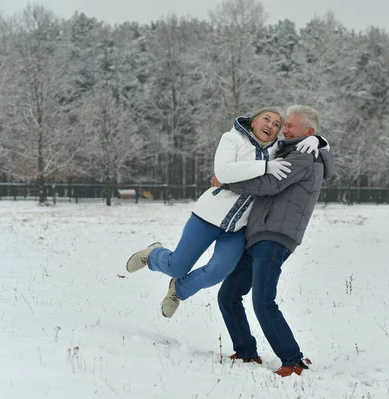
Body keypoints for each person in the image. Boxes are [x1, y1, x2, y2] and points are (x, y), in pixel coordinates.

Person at [125, 107, 323, 318]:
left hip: (238, 228)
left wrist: (319, 140)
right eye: (266, 119)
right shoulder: (233, 139)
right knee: (177, 267)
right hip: (208, 216)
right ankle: (153, 254)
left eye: (277, 124)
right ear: (253, 121)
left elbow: (302, 137)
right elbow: (224, 171)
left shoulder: (277, 149)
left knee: (217, 272)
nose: (271, 125)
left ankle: (178, 291)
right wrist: (264, 166)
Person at [215, 105, 336, 377]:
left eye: (291, 126)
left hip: (276, 235)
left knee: (263, 301)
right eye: (286, 124)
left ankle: (292, 360)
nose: (285, 129)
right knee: (229, 294)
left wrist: (227, 182)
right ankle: (246, 351)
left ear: (309, 132)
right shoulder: (291, 149)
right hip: (258, 234)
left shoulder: (306, 156)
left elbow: (269, 184)